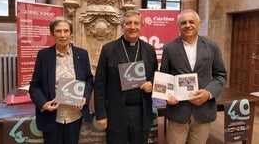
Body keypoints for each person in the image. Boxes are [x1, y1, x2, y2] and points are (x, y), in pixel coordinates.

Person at [160, 9, 227, 144]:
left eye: (191, 22)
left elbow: (221, 75)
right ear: (178, 26)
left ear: (199, 24)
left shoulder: (212, 46)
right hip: (177, 111)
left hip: (203, 110)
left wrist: (208, 93)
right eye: (183, 22)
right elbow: (164, 77)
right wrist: (167, 97)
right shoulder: (169, 48)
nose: (188, 25)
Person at [94, 10, 158, 144]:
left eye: (136, 23)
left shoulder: (149, 50)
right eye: (128, 23)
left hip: (141, 111)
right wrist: (101, 114)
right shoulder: (108, 49)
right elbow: (100, 84)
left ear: (141, 26)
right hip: (116, 111)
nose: (132, 27)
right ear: (122, 25)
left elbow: (155, 75)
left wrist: (152, 83)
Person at [29, 16, 94, 144]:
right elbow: (35, 86)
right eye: (58, 31)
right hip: (52, 115)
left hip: (74, 115)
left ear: (71, 33)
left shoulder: (82, 54)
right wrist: (43, 104)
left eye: (66, 31)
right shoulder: (44, 55)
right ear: (52, 33)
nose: (63, 35)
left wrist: (84, 97)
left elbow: (89, 80)